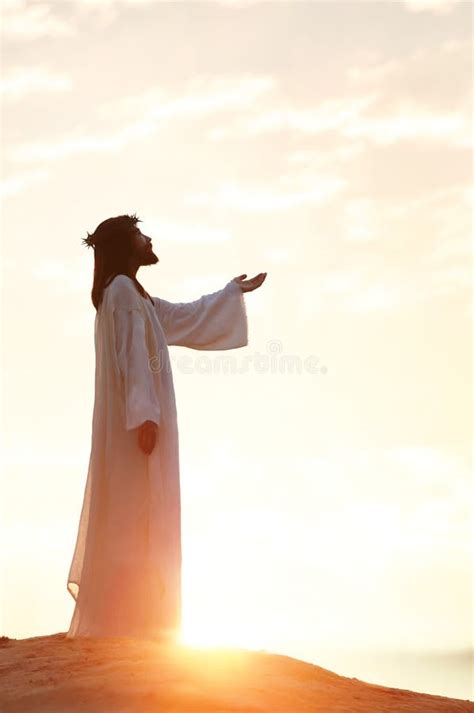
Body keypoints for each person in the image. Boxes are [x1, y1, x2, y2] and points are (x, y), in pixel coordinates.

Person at [65, 213, 267, 641]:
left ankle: (141, 620)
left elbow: (180, 318)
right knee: (135, 512)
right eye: (140, 234)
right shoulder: (120, 292)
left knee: (143, 511)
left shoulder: (133, 294)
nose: (149, 238)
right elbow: (132, 356)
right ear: (125, 245)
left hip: (144, 420)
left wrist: (231, 293)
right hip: (137, 426)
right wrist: (144, 415)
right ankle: (129, 622)